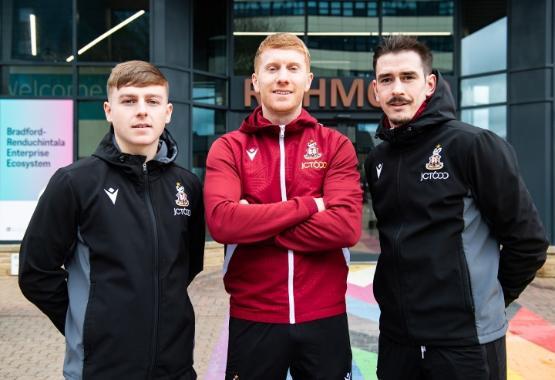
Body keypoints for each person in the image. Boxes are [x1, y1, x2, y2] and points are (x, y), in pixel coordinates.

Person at [365, 36, 549, 380]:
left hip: (465, 346)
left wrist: (485, 301)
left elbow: (528, 242)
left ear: (429, 83)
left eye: (408, 77)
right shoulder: (378, 160)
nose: (397, 89)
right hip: (397, 342)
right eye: (387, 80)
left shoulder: (473, 145)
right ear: (376, 90)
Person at [18, 60, 205, 379]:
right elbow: (36, 271)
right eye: (129, 101)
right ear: (109, 110)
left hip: (174, 369)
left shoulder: (186, 185)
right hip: (100, 369)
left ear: (168, 112)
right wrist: (88, 325)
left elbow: (187, 266)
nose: (142, 111)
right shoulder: (75, 182)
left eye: (152, 101)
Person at [204, 33, 362, 379]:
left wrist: (255, 219)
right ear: (255, 81)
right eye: (272, 68)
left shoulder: (335, 146)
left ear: (308, 80)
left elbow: (346, 228)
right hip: (253, 316)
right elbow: (223, 223)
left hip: (325, 316)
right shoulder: (228, 148)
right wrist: (310, 205)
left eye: (293, 68)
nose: (282, 77)